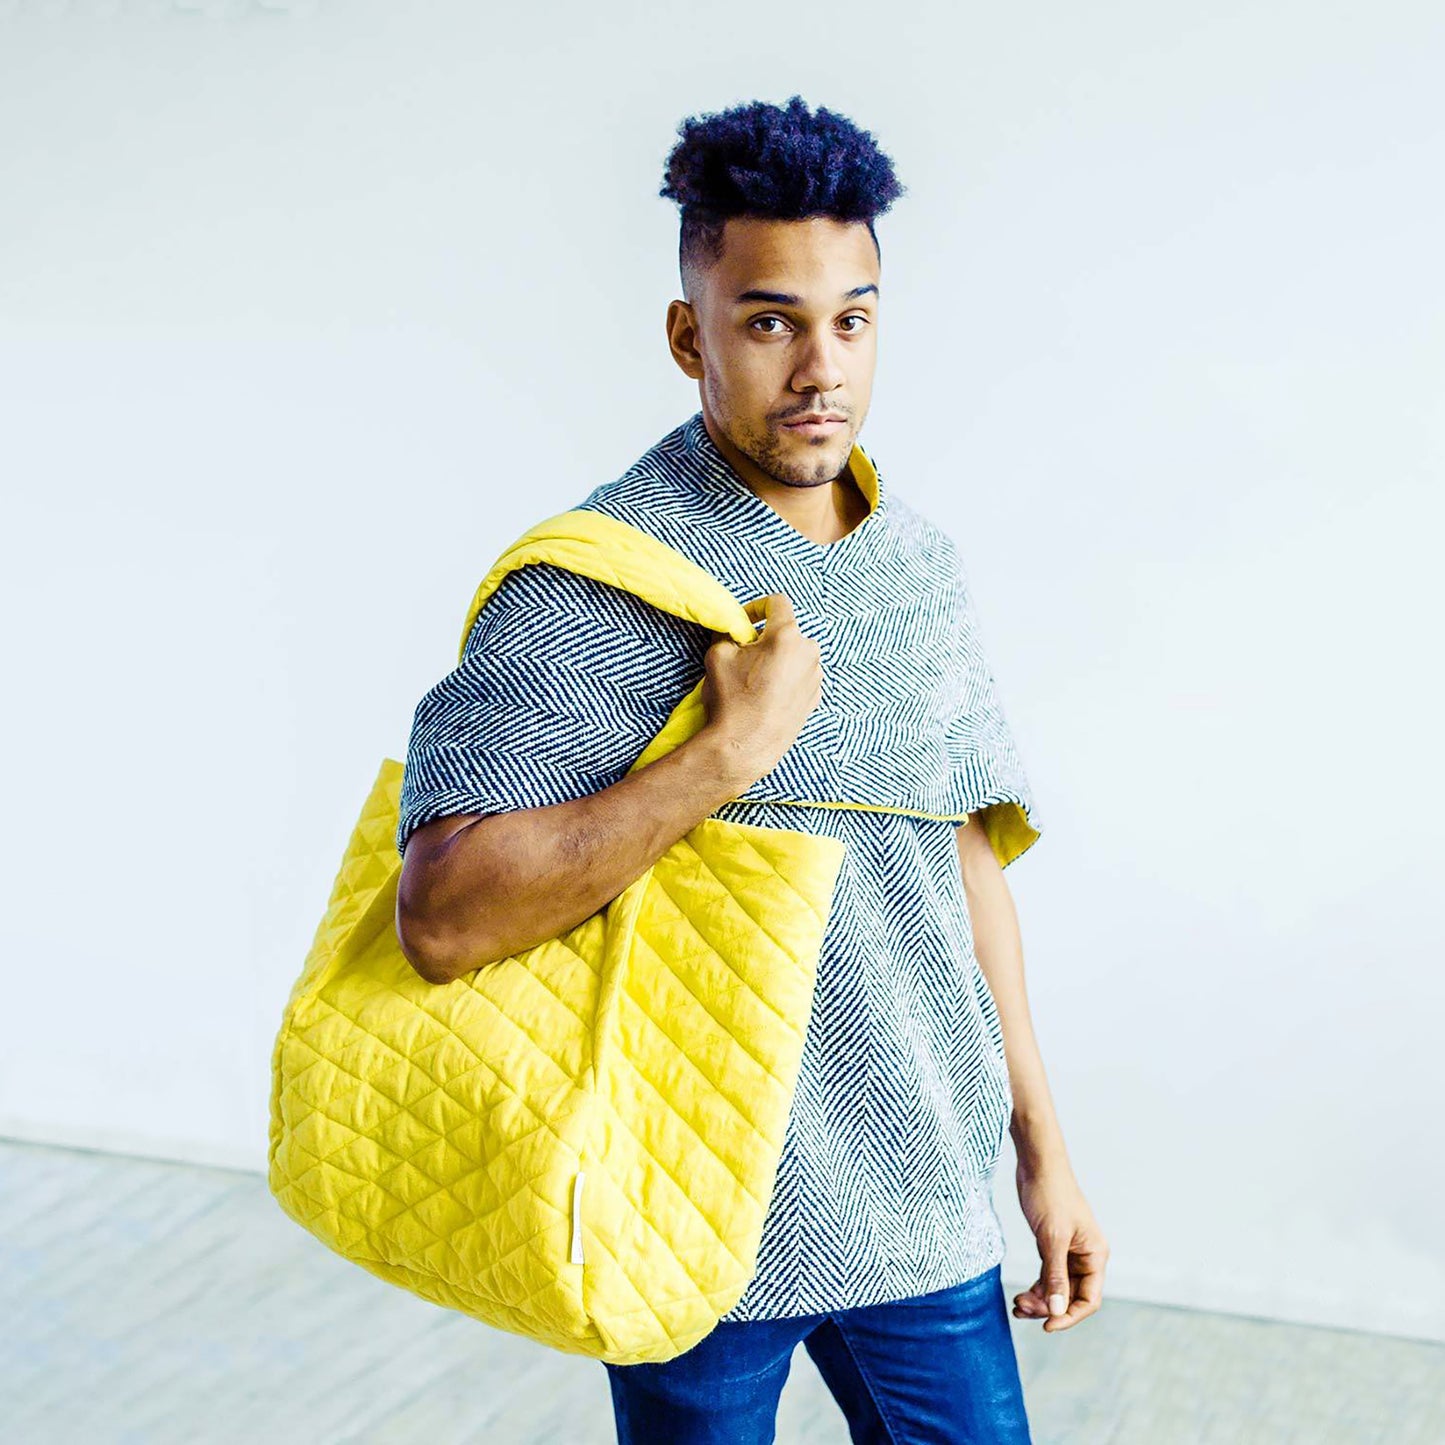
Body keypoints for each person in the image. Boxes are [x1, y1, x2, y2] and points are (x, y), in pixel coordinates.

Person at [393, 92, 1108, 1445]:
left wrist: (1041, 1149)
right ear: (690, 334)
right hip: (691, 1209)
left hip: (916, 1196)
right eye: (769, 320)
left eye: (852, 318)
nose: (819, 367)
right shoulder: (598, 581)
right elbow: (442, 915)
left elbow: (957, 857)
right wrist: (720, 755)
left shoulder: (920, 570)